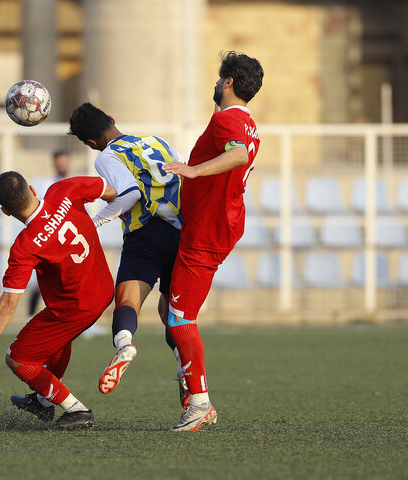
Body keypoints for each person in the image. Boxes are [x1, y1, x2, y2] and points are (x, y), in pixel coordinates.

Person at [161, 51, 263, 431]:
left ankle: (200, 403)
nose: (216, 83)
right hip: (215, 224)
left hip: (207, 232)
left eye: (220, 77)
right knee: (173, 313)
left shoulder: (229, 119)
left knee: (180, 319)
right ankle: (191, 390)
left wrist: (192, 171)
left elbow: (237, 157)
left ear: (229, 82)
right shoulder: (248, 122)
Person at [0, 171, 116, 429]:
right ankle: (42, 402)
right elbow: (108, 189)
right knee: (54, 340)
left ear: (5, 211)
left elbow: (9, 303)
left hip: (76, 307)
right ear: (33, 189)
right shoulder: (64, 190)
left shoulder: (25, 246)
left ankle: (77, 410)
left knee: (17, 358)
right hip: (103, 289)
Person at [68, 102, 188, 405]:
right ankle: (184, 367)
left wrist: (95, 222)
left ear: (90, 143)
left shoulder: (107, 156)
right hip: (182, 232)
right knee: (171, 314)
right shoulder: (157, 141)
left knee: (127, 303)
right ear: (111, 119)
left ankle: (124, 346)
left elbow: (131, 193)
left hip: (145, 234)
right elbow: (185, 176)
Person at [27, 150, 71, 317]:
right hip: (51, 239)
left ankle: (84, 322)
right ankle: (30, 317)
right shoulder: (47, 185)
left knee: (73, 281)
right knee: (43, 281)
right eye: (60, 162)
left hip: (69, 239)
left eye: (65, 162)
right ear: (54, 163)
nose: (63, 165)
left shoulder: (72, 182)